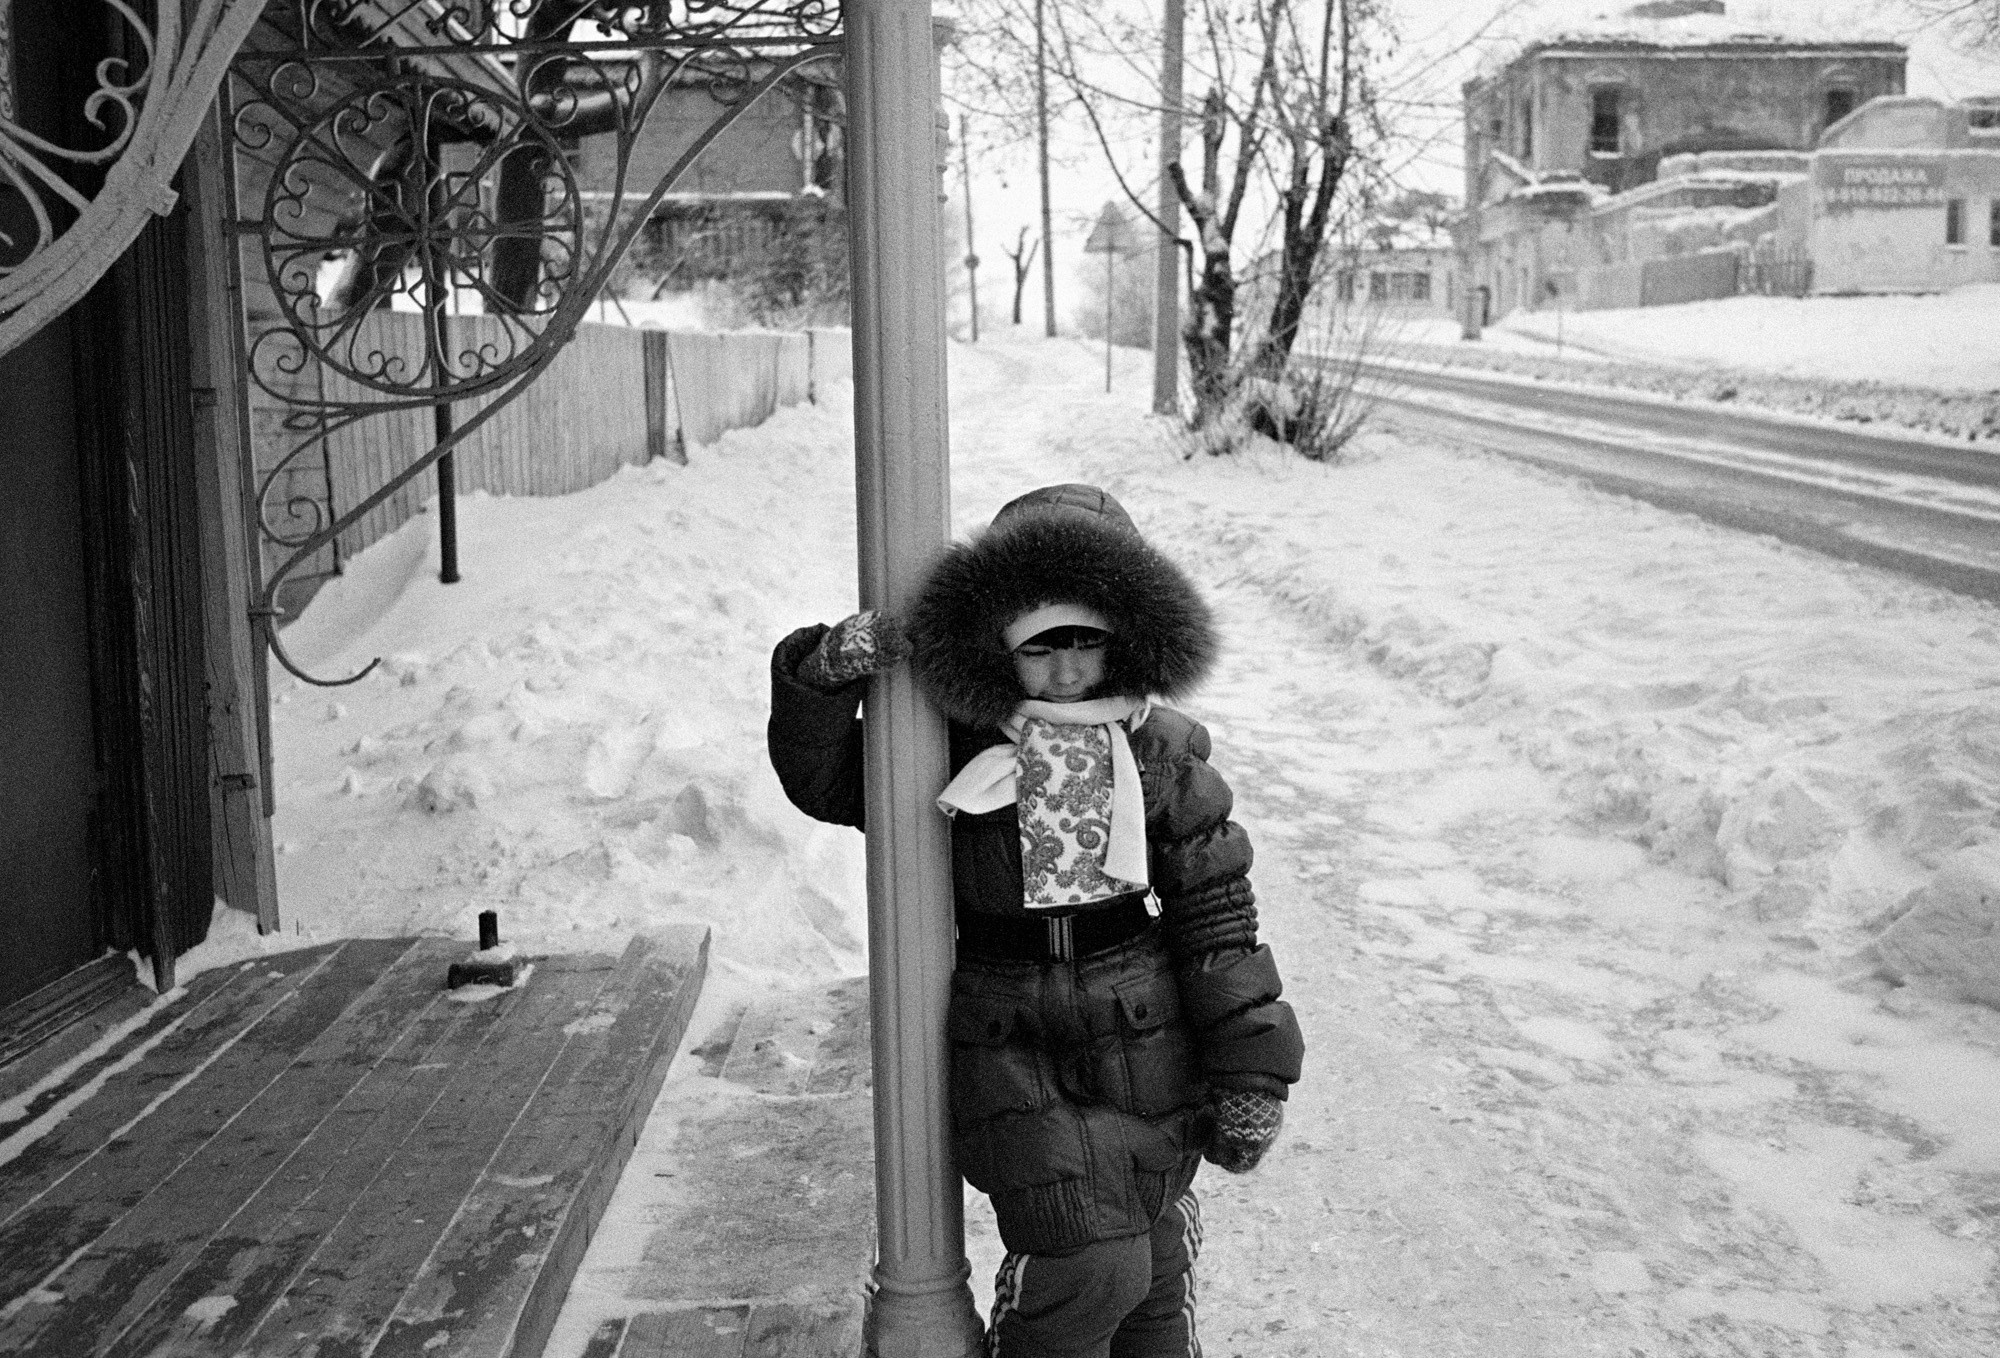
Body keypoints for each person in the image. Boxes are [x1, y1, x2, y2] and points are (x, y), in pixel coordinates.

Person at [767, 483, 1304, 1357]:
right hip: (1014, 1043)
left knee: (1154, 1279)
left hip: (1146, 1030)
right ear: (996, 641)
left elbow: (1216, 913)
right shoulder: (951, 744)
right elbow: (828, 782)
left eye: (1086, 644)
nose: (1063, 674)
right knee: (1095, 1268)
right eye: (1038, 647)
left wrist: (1252, 1070)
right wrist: (819, 679)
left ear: (1126, 635)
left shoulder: (1158, 749)